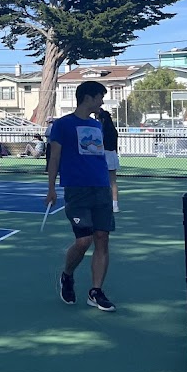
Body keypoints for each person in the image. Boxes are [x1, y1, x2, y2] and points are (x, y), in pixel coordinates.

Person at [47, 80, 116, 312]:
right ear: (88, 97)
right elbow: (54, 158)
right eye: (100, 97)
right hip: (77, 190)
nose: (102, 102)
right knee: (83, 240)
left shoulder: (98, 125)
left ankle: (95, 292)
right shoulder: (62, 125)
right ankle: (67, 275)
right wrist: (51, 188)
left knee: (102, 239)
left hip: (101, 188)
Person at [94, 106, 120, 212]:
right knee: (113, 182)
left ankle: (102, 203)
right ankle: (115, 205)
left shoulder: (100, 129)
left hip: (103, 155)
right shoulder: (113, 130)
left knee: (100, 181)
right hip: (113, 155)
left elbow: (98, 144)